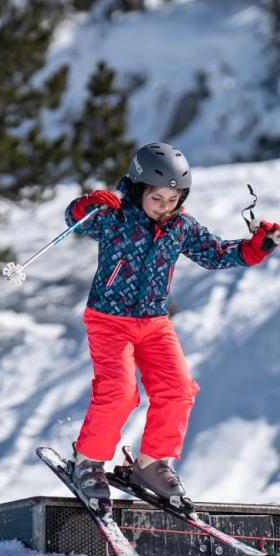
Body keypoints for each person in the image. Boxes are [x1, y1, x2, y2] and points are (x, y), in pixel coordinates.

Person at [65, 141, 279, 506]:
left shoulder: (180, 226)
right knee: (119, 392)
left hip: (154, 323)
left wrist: (254, 247)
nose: (166, 207)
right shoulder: (116, 216)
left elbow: (214, 253)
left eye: (174, 199)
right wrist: (87, 204)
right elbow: (76, 220)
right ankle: (87, 462)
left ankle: (150, 463)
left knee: (179, 389)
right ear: (137, 189)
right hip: (109, 320)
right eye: (157, 198)